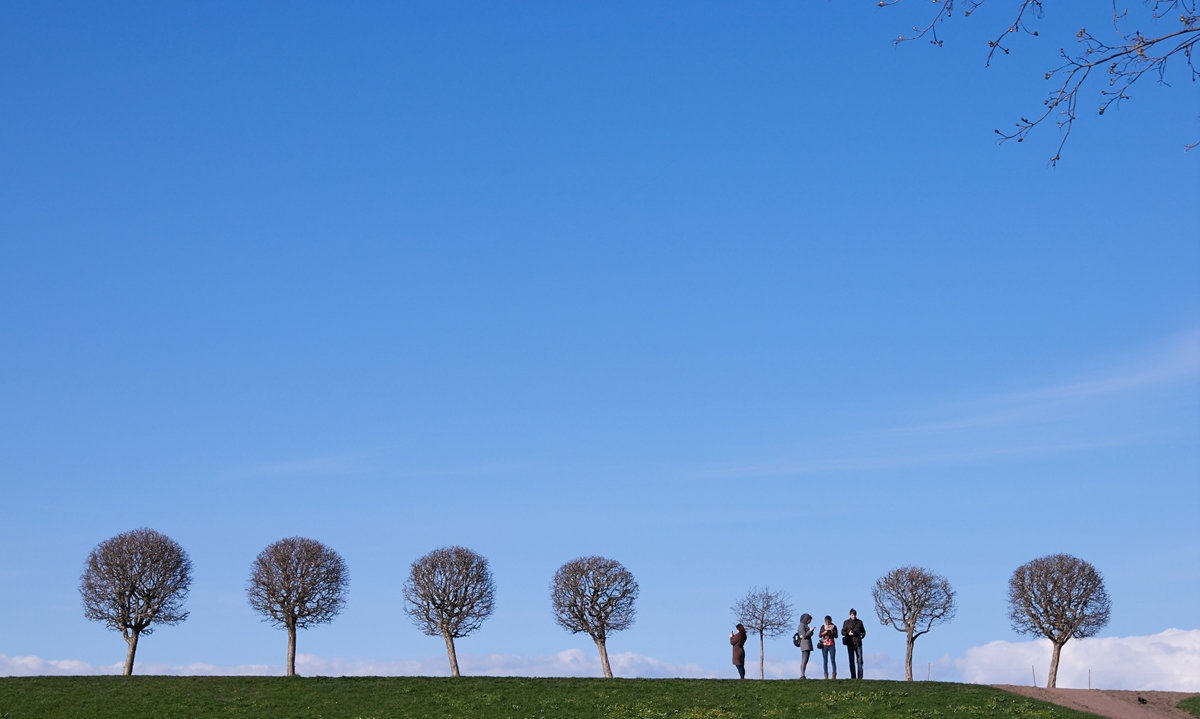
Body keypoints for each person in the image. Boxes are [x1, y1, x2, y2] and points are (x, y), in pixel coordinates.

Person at [842, 608, 866, 679]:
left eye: (854, 615)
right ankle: (853, 676)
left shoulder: (859, 622)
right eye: (852, 615)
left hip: (858, 642)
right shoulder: (846, 622)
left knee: (860, 660)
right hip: (850, 642)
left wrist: (861, 636)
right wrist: (848, 633)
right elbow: (842, 632)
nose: (853, 616)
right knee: (851, 661)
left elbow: (863, 631)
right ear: (850, 615)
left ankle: (860, 677)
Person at [818, 615, 838, 679]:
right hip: (824, 645)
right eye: (826, 622)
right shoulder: (823, 626)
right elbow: (820, 635)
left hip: (831, 644)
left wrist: (832, 632)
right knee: (825, 660)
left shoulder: (834, 627)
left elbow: (836, 636)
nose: (827, 623)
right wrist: (824, 632)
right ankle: (826, 674)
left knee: (833, 660)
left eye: (828, 622)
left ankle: (834, 674)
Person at [797, 613, 815, 679]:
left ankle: (803, 674)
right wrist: (810, 631)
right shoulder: (801, 626)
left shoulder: (805, 625)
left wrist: (811, 631)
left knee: (806, 660)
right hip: (805, 644)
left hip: (807, 644)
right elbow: (805, 635)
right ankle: (802, 675)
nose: (809, 621)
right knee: (804, 660)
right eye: (809, 620)